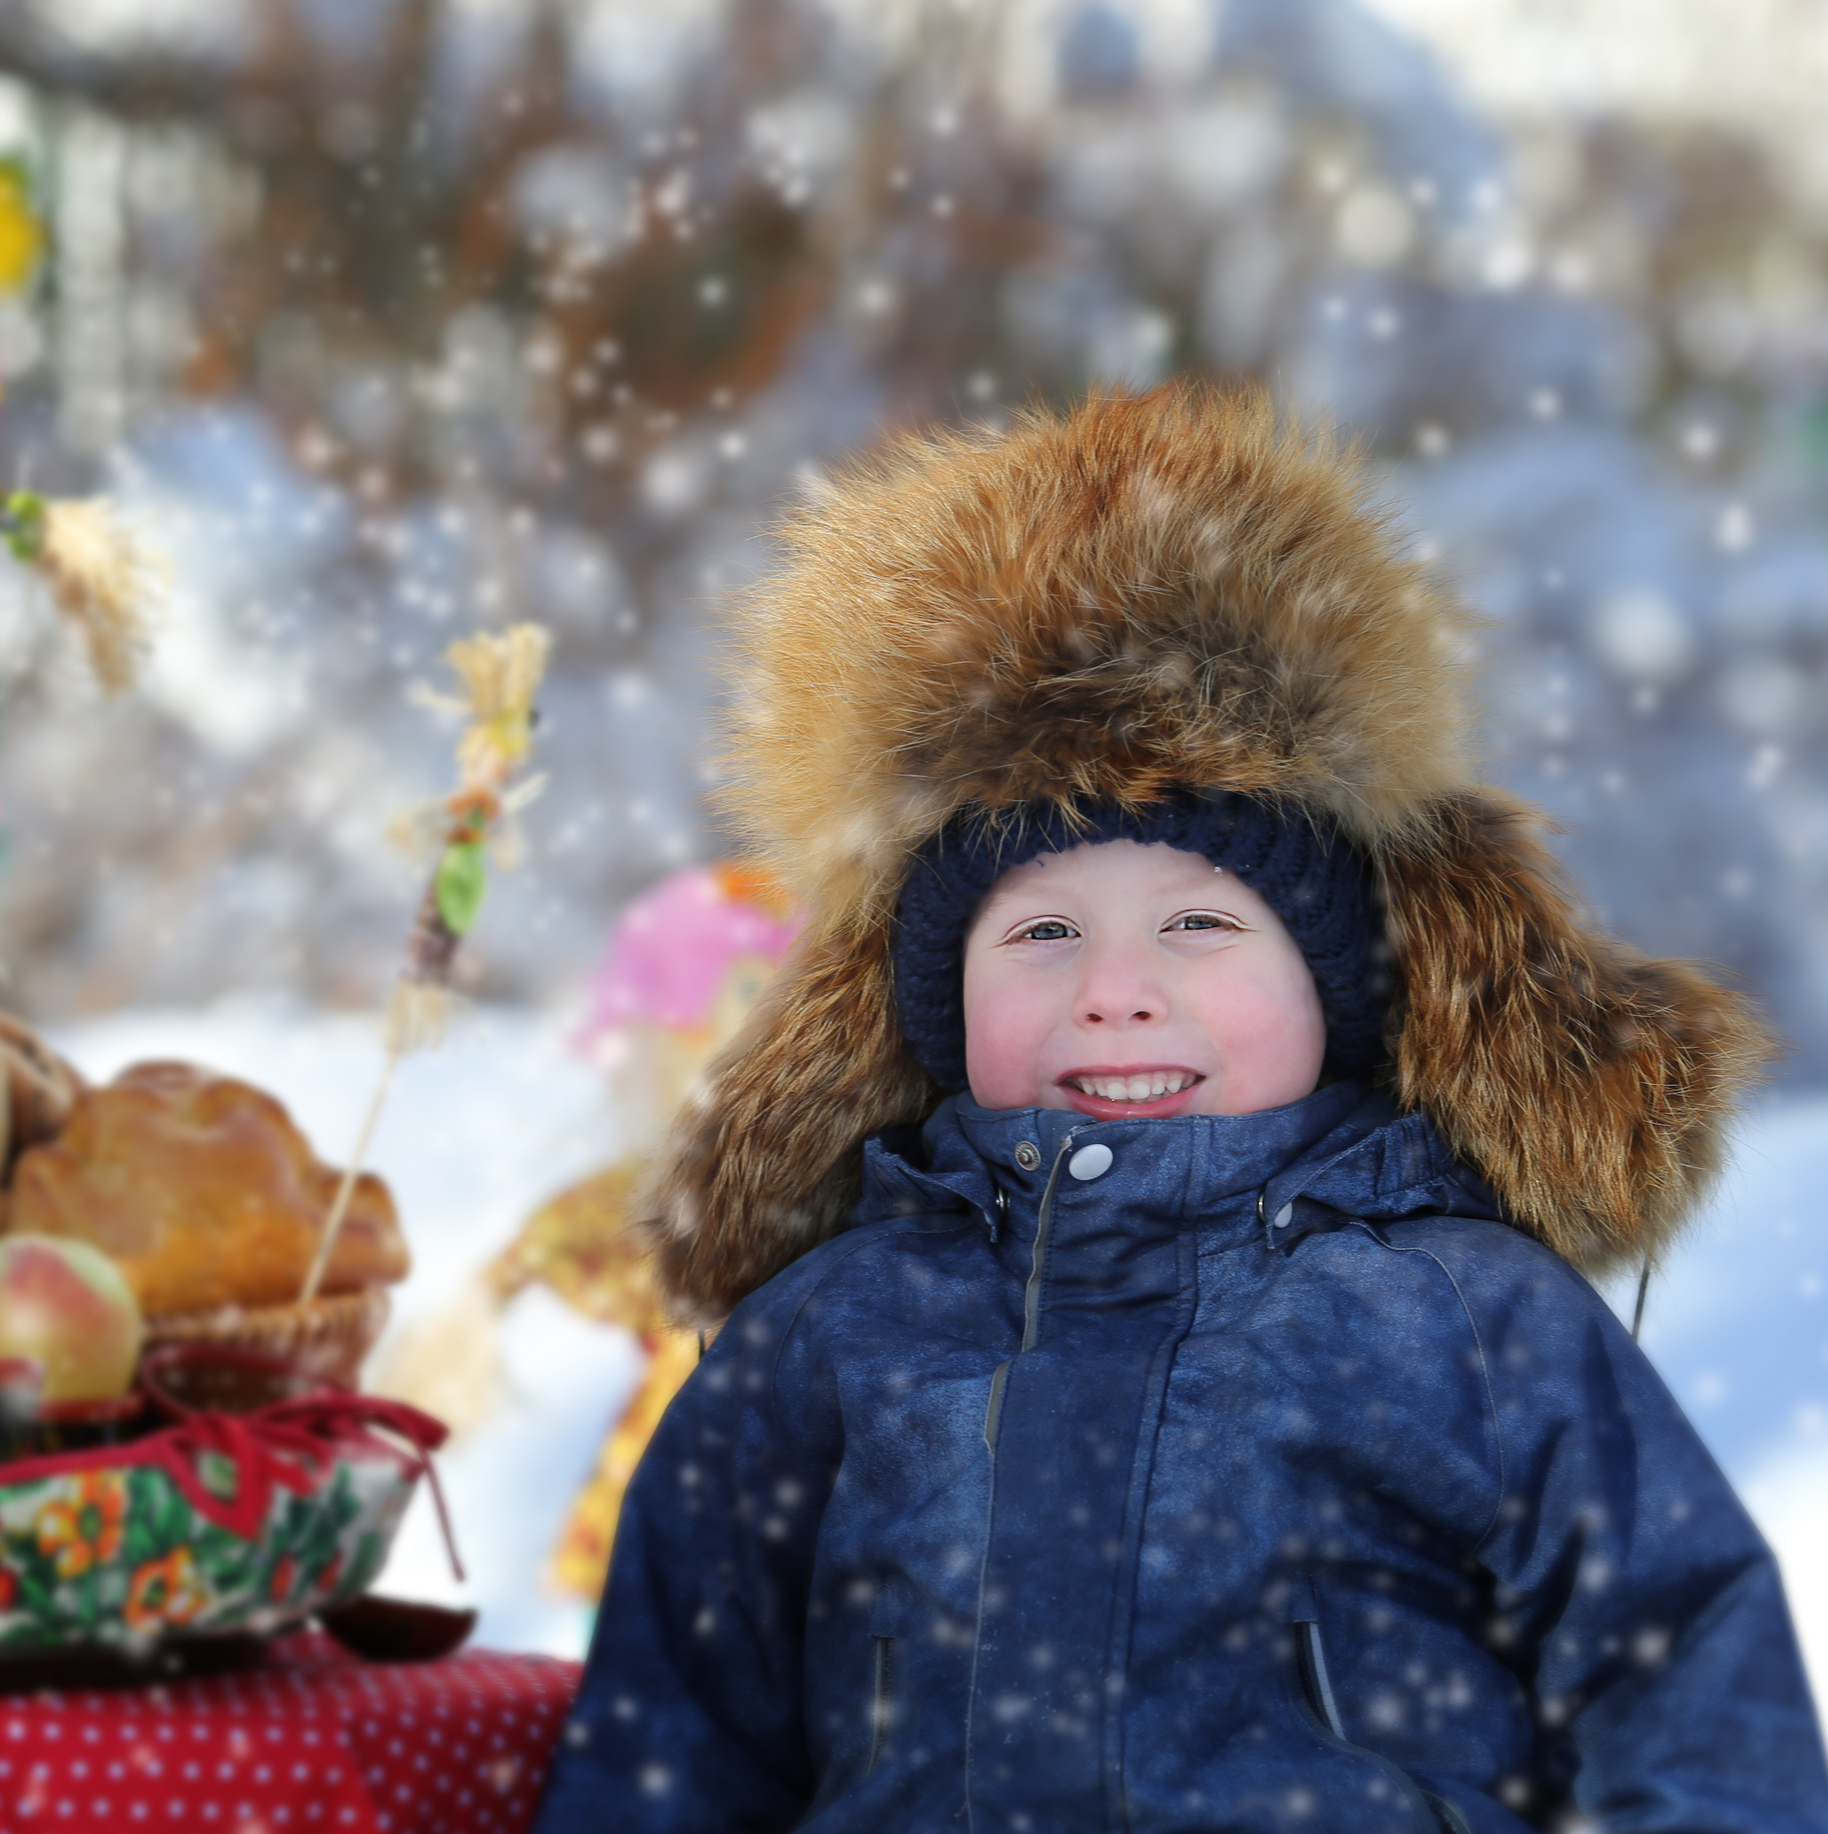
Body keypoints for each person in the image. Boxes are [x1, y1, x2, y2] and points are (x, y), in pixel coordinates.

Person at [530, 383, 1828, 1831]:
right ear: (927, 997)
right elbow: (675, 1734)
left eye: (1200, 926)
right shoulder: (829, 1336)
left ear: (1335, 983)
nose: (1116, 990)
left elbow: (1692, 1676)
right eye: (1040, 933)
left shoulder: (1466, 1318)